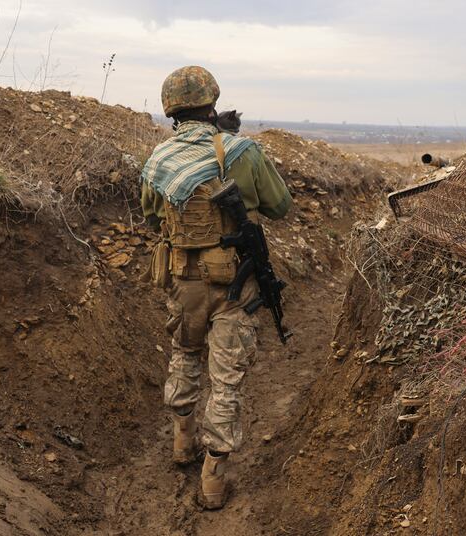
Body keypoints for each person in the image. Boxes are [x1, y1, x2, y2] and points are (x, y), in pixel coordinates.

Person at [140, 66, 291, 509]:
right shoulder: (242, 151)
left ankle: (182, 441)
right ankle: (212, 477)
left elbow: (153, 219)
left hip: (183, 279)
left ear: (171, 109)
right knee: (226, 380)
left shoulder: (159, 160)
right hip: (234, 285)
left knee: (186, 353)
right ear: (213, 102)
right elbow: (280, 206)